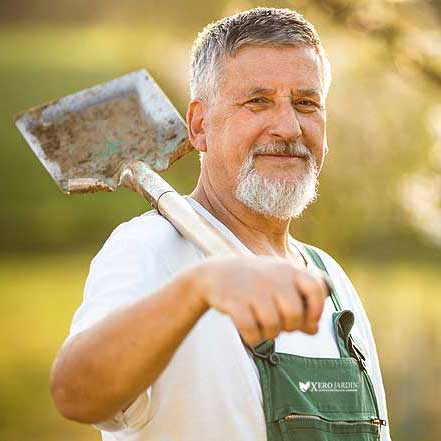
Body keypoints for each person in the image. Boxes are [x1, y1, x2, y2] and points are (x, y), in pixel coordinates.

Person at [50, 7, 392, 441]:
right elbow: (74, 393)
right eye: (258, 101)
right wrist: (200, 287)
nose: (288, 127)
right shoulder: (151, 249)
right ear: (199, 125)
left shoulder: (331, 281)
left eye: (306, 103)